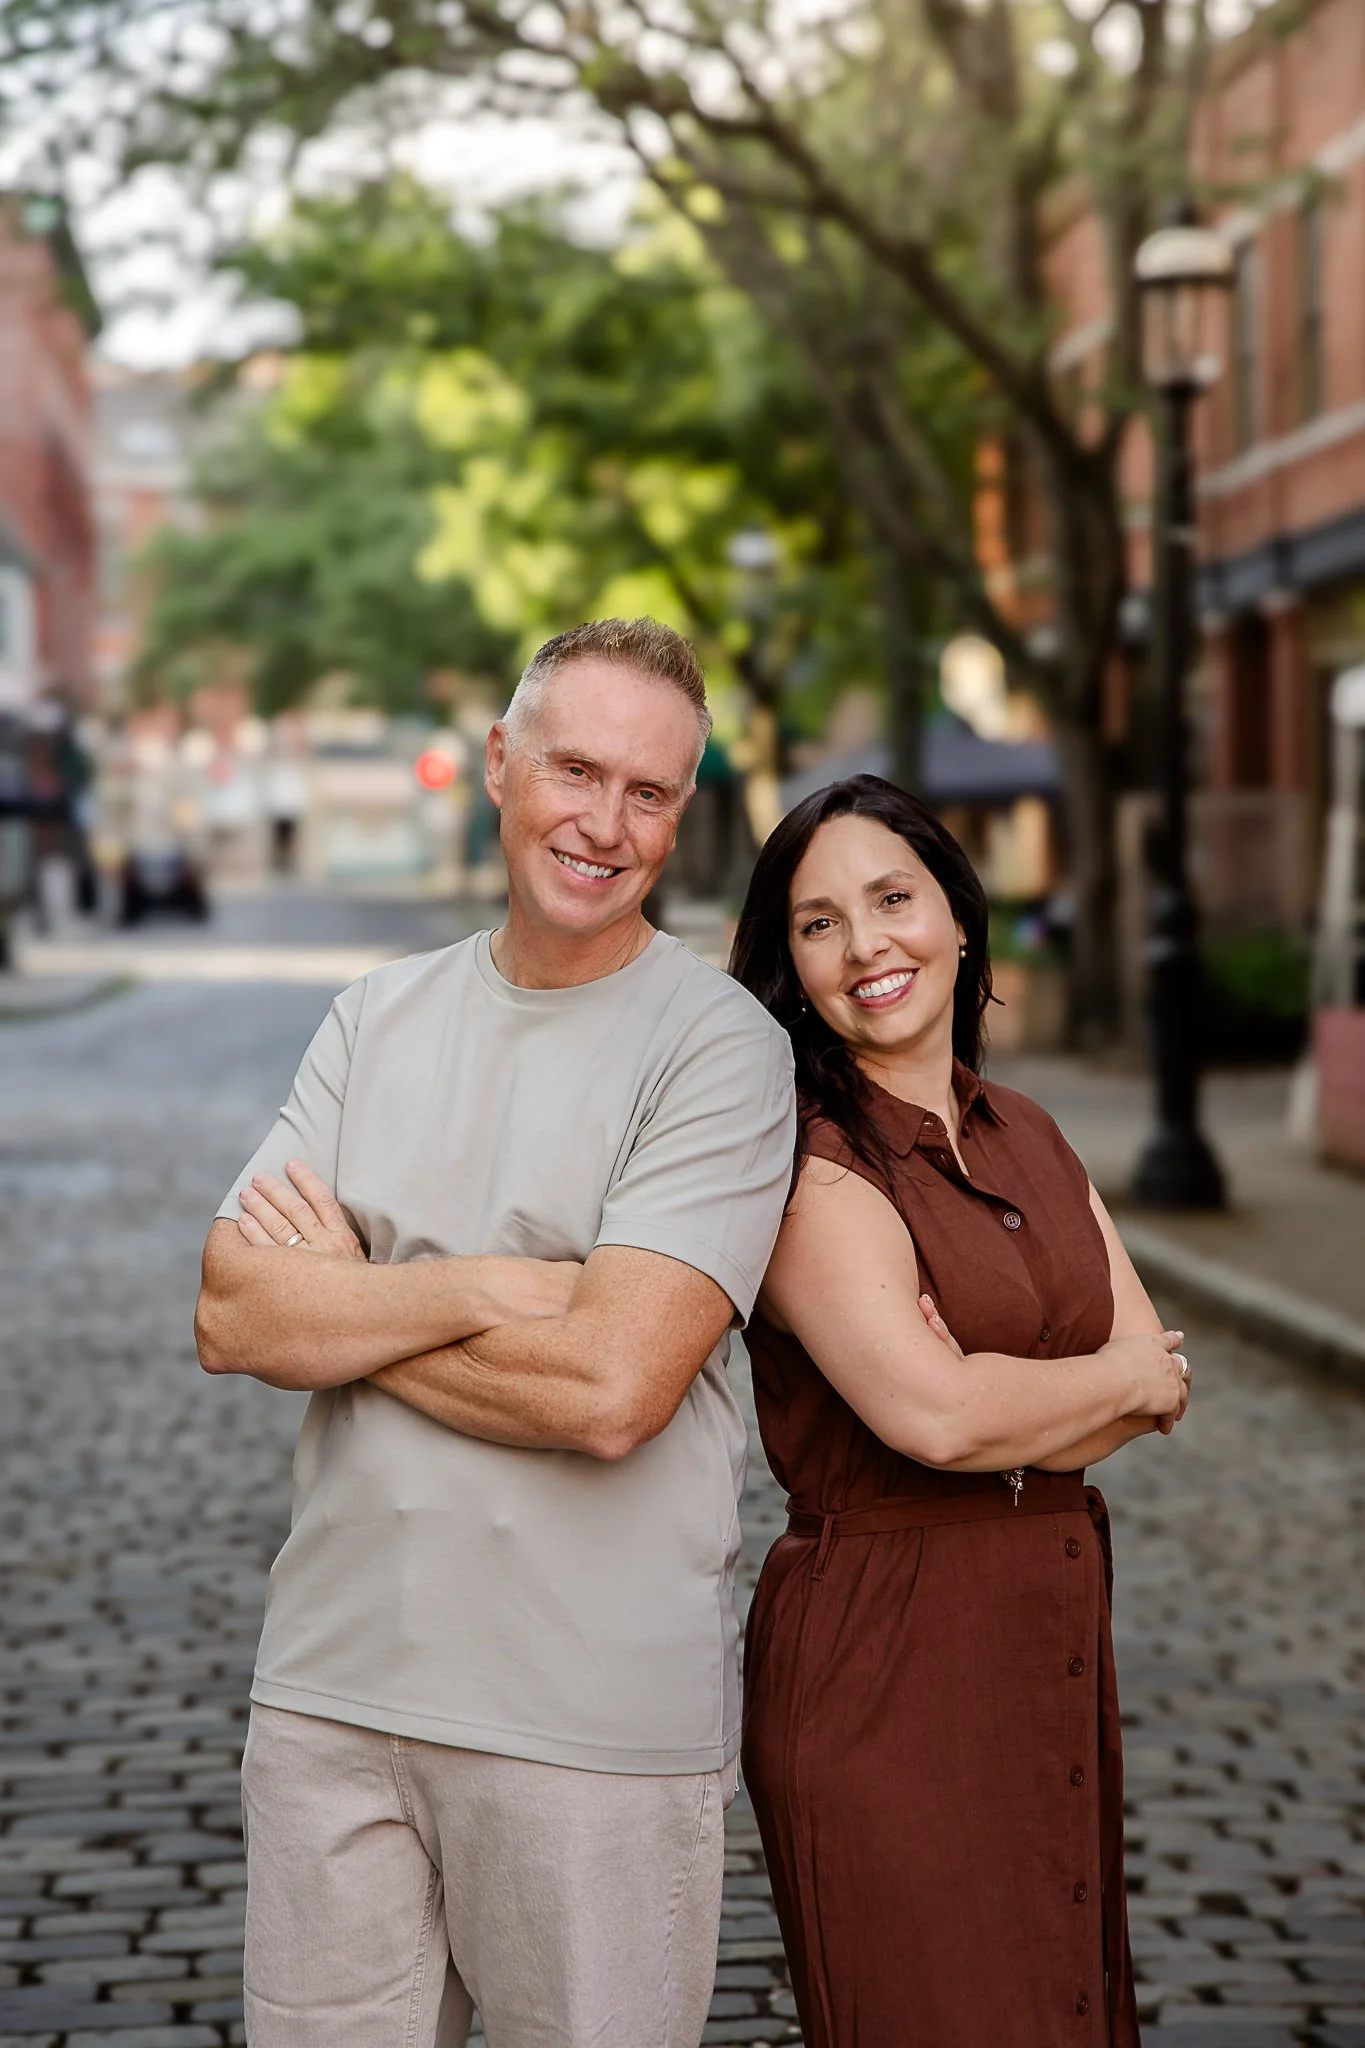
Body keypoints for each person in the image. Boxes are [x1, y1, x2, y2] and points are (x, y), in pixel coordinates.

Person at [193, 617, 796, 2048]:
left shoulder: (720, 1048)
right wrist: (489, 1287)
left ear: (681, 814)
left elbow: (609, 1388)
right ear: (499, 763)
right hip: (333, 1695)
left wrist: (353, 1303)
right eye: (574, 770)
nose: (604, 824)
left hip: (587, 1727)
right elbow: (232, 1310)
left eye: (648, 793)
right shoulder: (373, 1017)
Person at [729, 774, 1191, 2048]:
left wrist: (1027, 1392)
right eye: (819, 922)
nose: (866, 944)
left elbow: (1150, 1372)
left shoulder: (1030, 1130)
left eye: (893, 897)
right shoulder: (810, 1166)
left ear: (958, 915)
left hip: (1044, 1646)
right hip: (886, 1667)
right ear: (791, 964)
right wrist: (1090, 1386)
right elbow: (938, 1419)